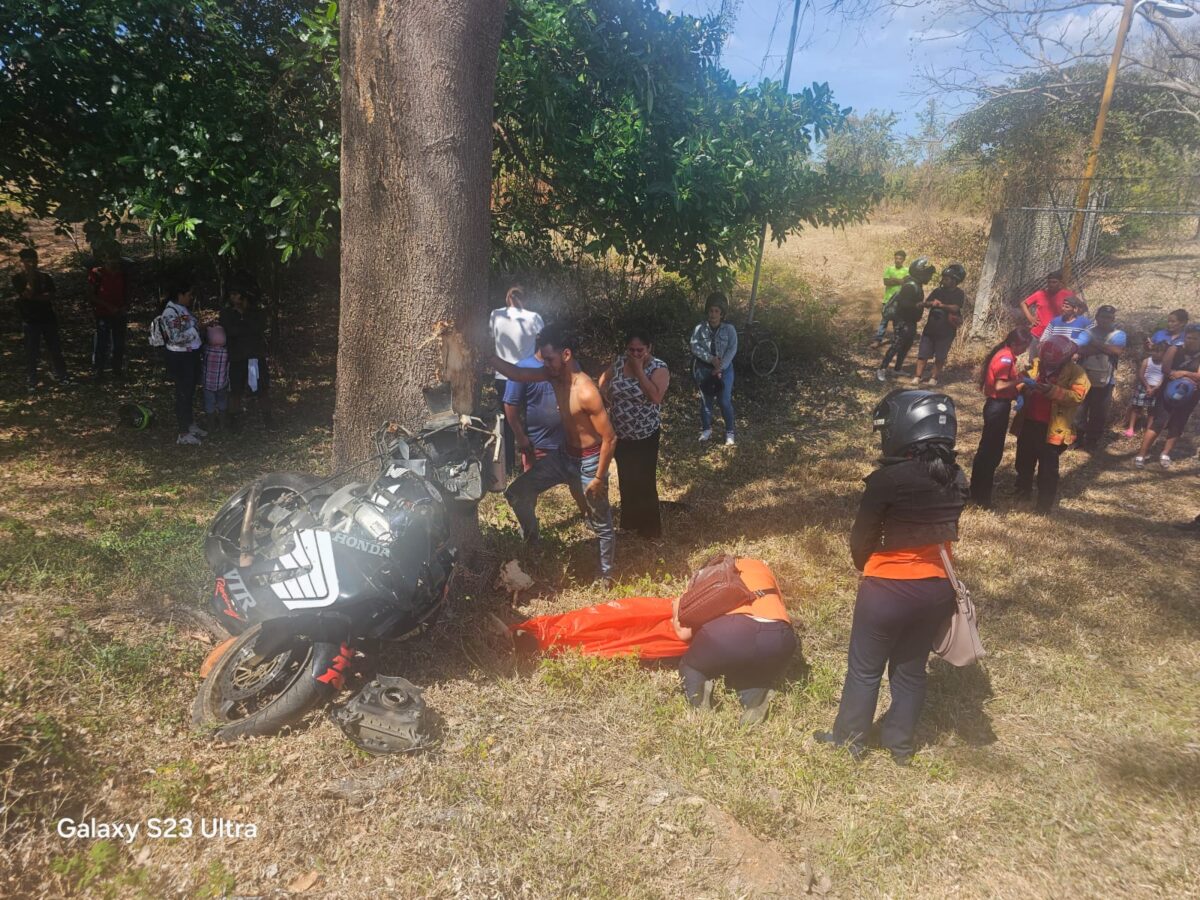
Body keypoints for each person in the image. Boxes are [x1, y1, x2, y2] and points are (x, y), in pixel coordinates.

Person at [814, 390, 968, 764]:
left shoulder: (887, 480)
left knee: (865, 671)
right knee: (911, 670)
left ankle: (850, 743)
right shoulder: (957, 477)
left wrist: (866, 565)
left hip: (887, 591)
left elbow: (860, 541)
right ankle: (900, 747)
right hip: (936, 591)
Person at [494, 324, 617, 582]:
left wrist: (598, 477)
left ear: (566, 355)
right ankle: (533, 540)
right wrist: (485, 355)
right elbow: (517, 372)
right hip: (563, 456)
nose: (545, 364)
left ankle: (607, 576)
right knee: (517, 493)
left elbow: (609, 437)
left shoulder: (586, 391)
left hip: (589, 461)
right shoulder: (553, 376)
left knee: (601, 521)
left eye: (549, 359)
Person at [671, 557, 796, 726]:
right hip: (780, 638)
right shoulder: (760, 567)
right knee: (750, 671)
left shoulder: (709, 574)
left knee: (691, 666)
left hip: (732, 632)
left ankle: (698, 700)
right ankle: (755, 697)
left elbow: (683, 633)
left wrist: (676, 605)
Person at [599, 328, 670, 539]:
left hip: (645, 435)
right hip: (621, 434)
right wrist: (606, 397)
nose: (636, 354)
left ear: (649, 348)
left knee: (645, 481)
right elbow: (603, 379)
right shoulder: (621, 362)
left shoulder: (659, 368)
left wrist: (639, 370)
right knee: (627, 478)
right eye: (632, 350)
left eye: (640, 350)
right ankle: (630, 523)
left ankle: (650, 530)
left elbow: (655, 397)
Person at [1011, 335, 1090, 512]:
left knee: (1048, 468)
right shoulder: (1038, 364)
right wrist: (1023, 387)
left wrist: (1052, 391)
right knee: (1023, 461)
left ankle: (1044, 504)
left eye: (1053, 363)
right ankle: (1022, 492)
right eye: (1047, 362)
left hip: (1053, 427)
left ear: (1066, 358)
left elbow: (1078, 396)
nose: (1049, 365)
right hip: (1029, 422)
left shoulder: (1077, 373)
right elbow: (1020, 379)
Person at [969, 325, 1032, 508]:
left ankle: (978, 491)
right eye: (1023, 346)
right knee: (991, 452)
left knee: (987, 450)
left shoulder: (1006, 354)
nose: (1025, 350)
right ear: (1014, 343)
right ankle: (982, 497)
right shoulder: (1005, 358)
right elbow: (999, 386)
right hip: (997, 407)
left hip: (997, 405)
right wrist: (1021, 381)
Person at [490, 283, 544, 474]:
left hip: (503, 375)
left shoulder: (496, 315)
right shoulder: (535, 318)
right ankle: (531, 461)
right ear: (526, 299)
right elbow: (542, 343)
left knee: (506, 421)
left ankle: (508, 466)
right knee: (528, 419)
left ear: (507, 298)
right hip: (527, 375)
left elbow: (491, 336)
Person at [1134, 324, 1200, 469]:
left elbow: (1198, 375)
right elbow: (1165, 368)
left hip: (1190, 395)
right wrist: (1184, 377)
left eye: (1195, 338)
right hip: (1168, 390)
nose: (1191, 341)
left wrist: (1183, 374)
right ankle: (1142, 454)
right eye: (1189, 337)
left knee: (1178, 422)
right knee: (1159, 421)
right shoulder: (1174, 349)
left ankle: (1165, 453)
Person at [11, 247, 70, 392]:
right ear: (22, 262)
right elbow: (26, 294)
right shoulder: (17, 279)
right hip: (30, 320)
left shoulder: (45, 277)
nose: (31, 264)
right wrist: (30, 281)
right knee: (32, 351)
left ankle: (63, 377)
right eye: (27, 261)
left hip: (48, 319)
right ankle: (32, 380)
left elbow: (50, 296)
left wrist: (33, 297)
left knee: (55, 349)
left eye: (33, 261)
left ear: (37, 261)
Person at [219, 284, 272, 430]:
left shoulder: (257, 312)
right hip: (237, 356)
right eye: (232, 295)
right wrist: (244, 326)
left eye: (237, 295)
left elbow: (258, 328)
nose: (234, 298)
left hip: (255, 355)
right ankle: (234, 421)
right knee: (235, 390)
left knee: (262, 389)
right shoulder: (227, 313)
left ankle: (268, 419)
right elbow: (231, 331)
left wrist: (244, 317)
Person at [1074, 304, 1126, 450]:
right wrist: (1105, 348)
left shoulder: (1119, 335)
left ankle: (1092, 441)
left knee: (1099, 412)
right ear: (1097, 317)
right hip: (1083, 378)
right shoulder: (1087, 332)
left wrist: (1095, 344)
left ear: (1113, 319)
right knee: (1079, 410)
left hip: (1106, 380)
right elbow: (1079, 348)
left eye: (1109, 317)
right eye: (1102, 316)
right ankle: (1077, 438)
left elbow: (1117, 350)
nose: (1105, 320)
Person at [877, 256, 936, 382]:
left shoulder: (916, 284)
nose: (929, 278)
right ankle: (882, 369)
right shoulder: (910, 285)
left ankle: (897, 369)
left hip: (911, 320)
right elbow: (903, 303)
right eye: (927, 274)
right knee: (897, 344)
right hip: (902, 320)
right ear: (920, 273)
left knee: (906, 345)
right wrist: (918, 305)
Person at [160, 279, 205, 445]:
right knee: (183, 393)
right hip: (180, 357)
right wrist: (195, 330)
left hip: (191, 355)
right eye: (189, 295)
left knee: (190, 391)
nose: (191, 298)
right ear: (180, 295)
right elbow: (175, 337)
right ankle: (183, 432)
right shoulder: (170, 313)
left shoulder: (184, 309)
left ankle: (190, 424)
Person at [690, 293, 738, 446]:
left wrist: (720, 367)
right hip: (704, 370)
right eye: (711, 311)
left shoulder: (729, 329)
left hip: (725, 370)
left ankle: (730, 432)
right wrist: (710, 359)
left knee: (724, 400)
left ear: (722, 313)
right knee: (706, 401)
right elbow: (694, 346)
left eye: (717, 311)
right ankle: (706, 429)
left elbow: (732, 349)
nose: (713, 314)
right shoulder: (699, 328)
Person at [912, 262, 967, 387]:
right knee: (923, 354)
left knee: (940, 356)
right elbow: (926, 303)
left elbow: (955, 308)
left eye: (947, 279)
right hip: (930, 328)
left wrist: (941, 305)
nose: (943, 280)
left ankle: (934, 378)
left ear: (954, 281)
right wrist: (931, 303)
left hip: (946, 331)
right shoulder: (937, 291)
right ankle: (917, 376)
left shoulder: (959, 293)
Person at [87, 243, 129, 382]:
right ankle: (98, 371)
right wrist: (108, 306)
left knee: (119, 344)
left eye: (115, 258)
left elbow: (127, 293)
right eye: (109, 258)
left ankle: (117, 370)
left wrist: (124, 307)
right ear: (104, 259)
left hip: (119, 313)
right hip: (103, 313)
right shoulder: (96, 273)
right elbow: (92, 295)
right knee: (101, 343)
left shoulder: (123, 273)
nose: (112, 261)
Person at [1020, 270, 1073, 358]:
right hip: (1037, 334)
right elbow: (1023, 304)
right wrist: (1031, 318)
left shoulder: (1067, 295)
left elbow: (1080, 307)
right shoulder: (1040, 294)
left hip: (1056, 335)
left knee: (1052, 361)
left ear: (1060, 283)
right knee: (1033, 361)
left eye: (1054, 282)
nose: (1051, 284)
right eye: (1049, 282)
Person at [1124, 342, 1166, 437]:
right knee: (1136, 408)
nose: (1155, 353)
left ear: (1164, 353)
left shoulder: (1165, 364)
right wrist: (1147, 387)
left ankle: (1148, 430)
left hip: (1156, 389)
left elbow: (1163, 378)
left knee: (1151, 411)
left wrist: (1155, 388)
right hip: (1143, 387)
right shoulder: (1147, 361)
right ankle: (1131, 428)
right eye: (1154, 351)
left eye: (1158, 352)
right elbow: (1141, 374)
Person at [870, 250, 908, 348]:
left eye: (900, 259)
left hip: (900, 300)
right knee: (884, 321)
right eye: (896, 258)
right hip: (888, 300)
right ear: (894, 258)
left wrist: (894, 280)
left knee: (897, 322)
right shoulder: (889, 269)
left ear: (904, 260)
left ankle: (896, 341)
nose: (898, 260)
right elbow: (886, 282)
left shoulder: (907, 271)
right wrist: (899, 281)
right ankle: (878, 341)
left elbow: (906, 283)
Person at [202, 324, 231, 431]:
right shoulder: (226, 352)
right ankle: (223, 424)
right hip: (222, 383)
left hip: (208, 384)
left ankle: (211, 425)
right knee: (222, 403)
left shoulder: (206, 350)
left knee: (209, 404)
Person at [1151, 309, 1189, 374]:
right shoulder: (1159, 334)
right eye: (1168, 321)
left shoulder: (1188, 337)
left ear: (1182, 323)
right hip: (1155, 369)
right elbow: (1150, 351)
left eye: (1173, 322)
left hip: (1177, 371)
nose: (1169, 324)